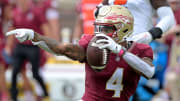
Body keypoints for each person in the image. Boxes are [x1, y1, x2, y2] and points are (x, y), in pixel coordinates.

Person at [6, 5, 155, 101]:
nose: (101, 33)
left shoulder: (140, 49)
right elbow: (62, 48)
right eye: (99, 28)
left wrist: (120, 51)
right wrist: (35, 36)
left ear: (124, 28)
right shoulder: (93, 45)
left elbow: (149, 72)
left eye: (107, 29)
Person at [9, 0, 49, 101]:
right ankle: (14, 96)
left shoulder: (36, 12)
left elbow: (45, 28)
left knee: (35, 73)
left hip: (33, 46)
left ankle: (44, 93)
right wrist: (9, 46)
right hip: (20, 46)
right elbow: (12, 28)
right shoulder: (15, 13)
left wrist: (48, 47)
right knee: (15, 71)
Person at [95, 0, 176, 44]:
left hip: (136, 43)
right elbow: (97, 11)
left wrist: (151, 34)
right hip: (112, 43)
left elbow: (168, 17)